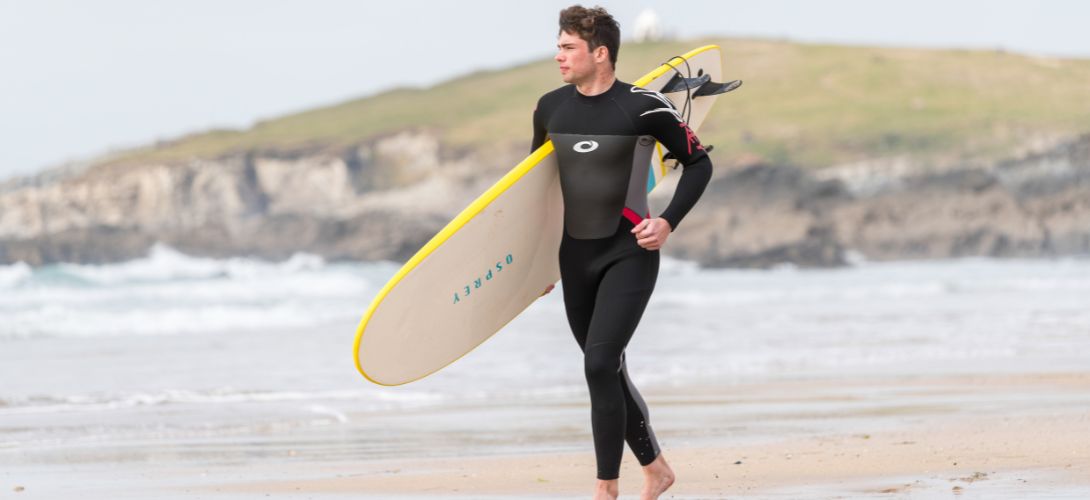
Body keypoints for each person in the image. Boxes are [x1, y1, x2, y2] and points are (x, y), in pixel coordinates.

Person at [532, 5, 713, 500]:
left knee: (598, 365)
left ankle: (606, 488)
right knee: (607, 367)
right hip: (574, 256)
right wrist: (535, 267)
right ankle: (657, 470)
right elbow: (536, 193)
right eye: (559, 46)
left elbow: (698, 164)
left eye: (568, 47)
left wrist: (667, 221)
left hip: (628, 250)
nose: (559, 57)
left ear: (601, 53)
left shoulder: (644, 106)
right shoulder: (550, 108)